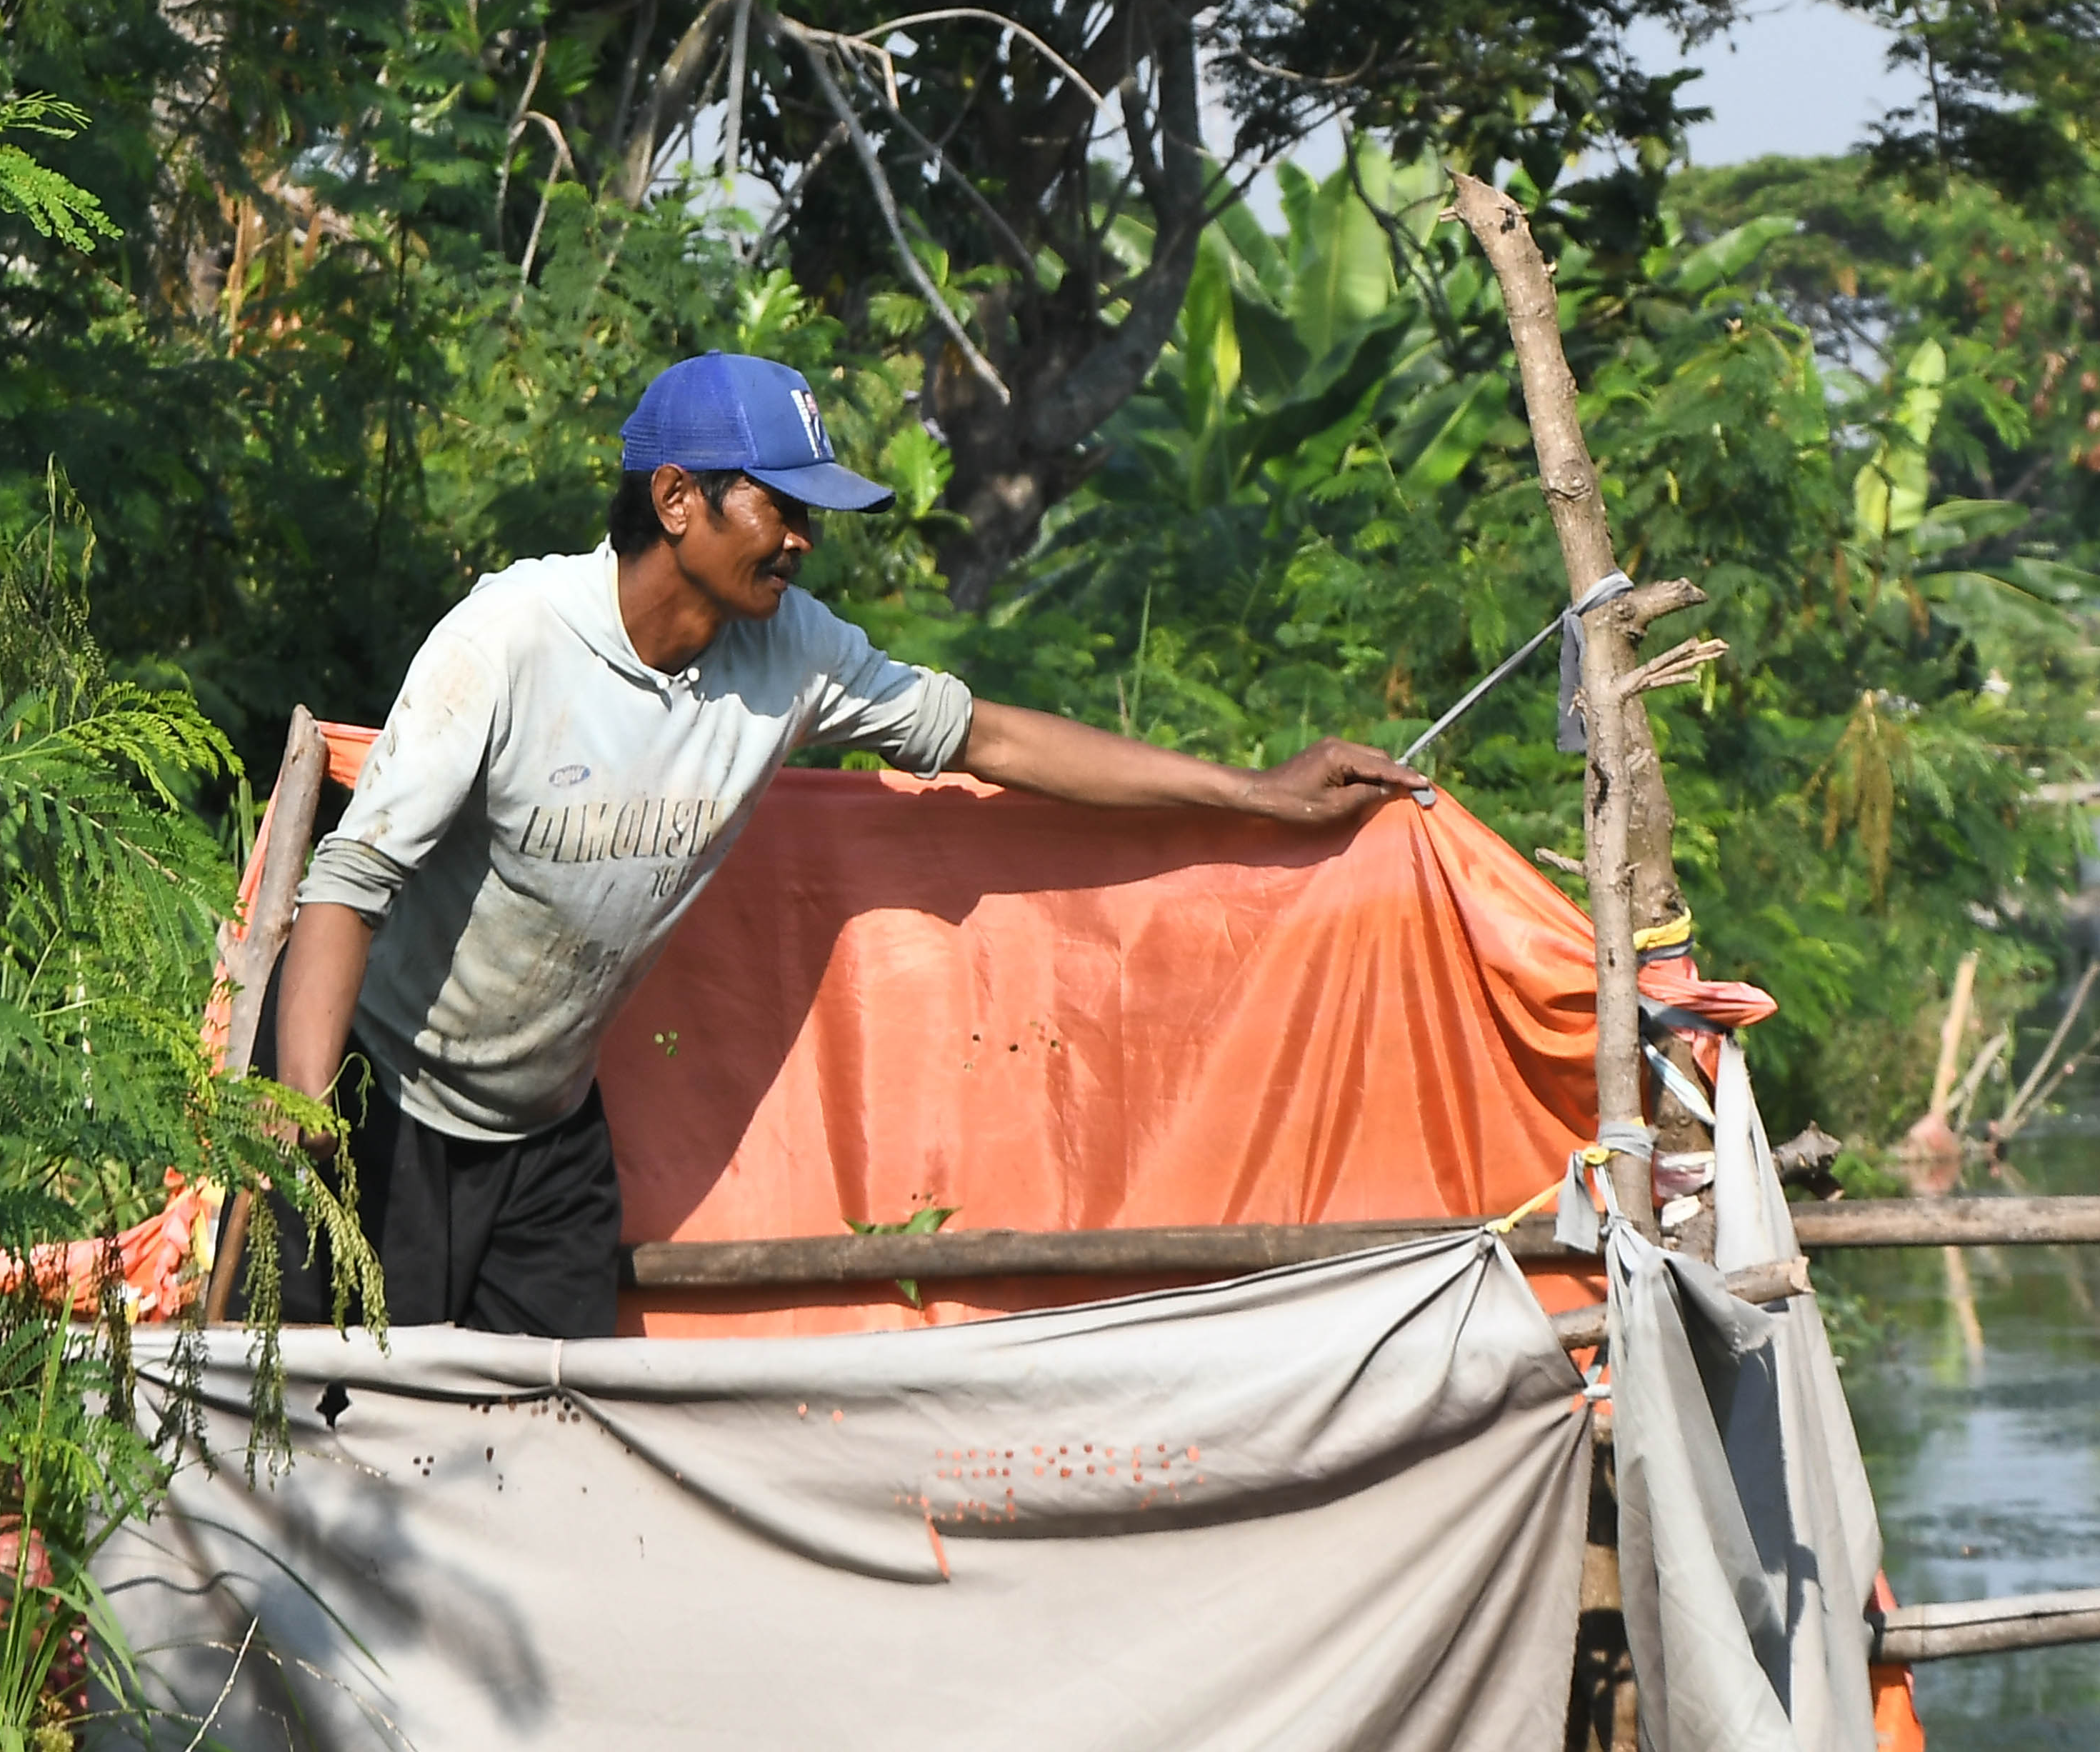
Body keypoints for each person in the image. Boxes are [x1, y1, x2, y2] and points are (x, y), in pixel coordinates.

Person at [261, 351, 1426, 1338]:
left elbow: (991, 734)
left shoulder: (793, 652)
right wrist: (307, 1120)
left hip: (548, 1130)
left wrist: (1256, 793)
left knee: (544, 1440)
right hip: (380, 1102)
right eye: (782, 506)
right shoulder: (511, 641)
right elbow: (351, 884)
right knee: (345, 1435)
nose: (804, 540)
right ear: (678, 499)